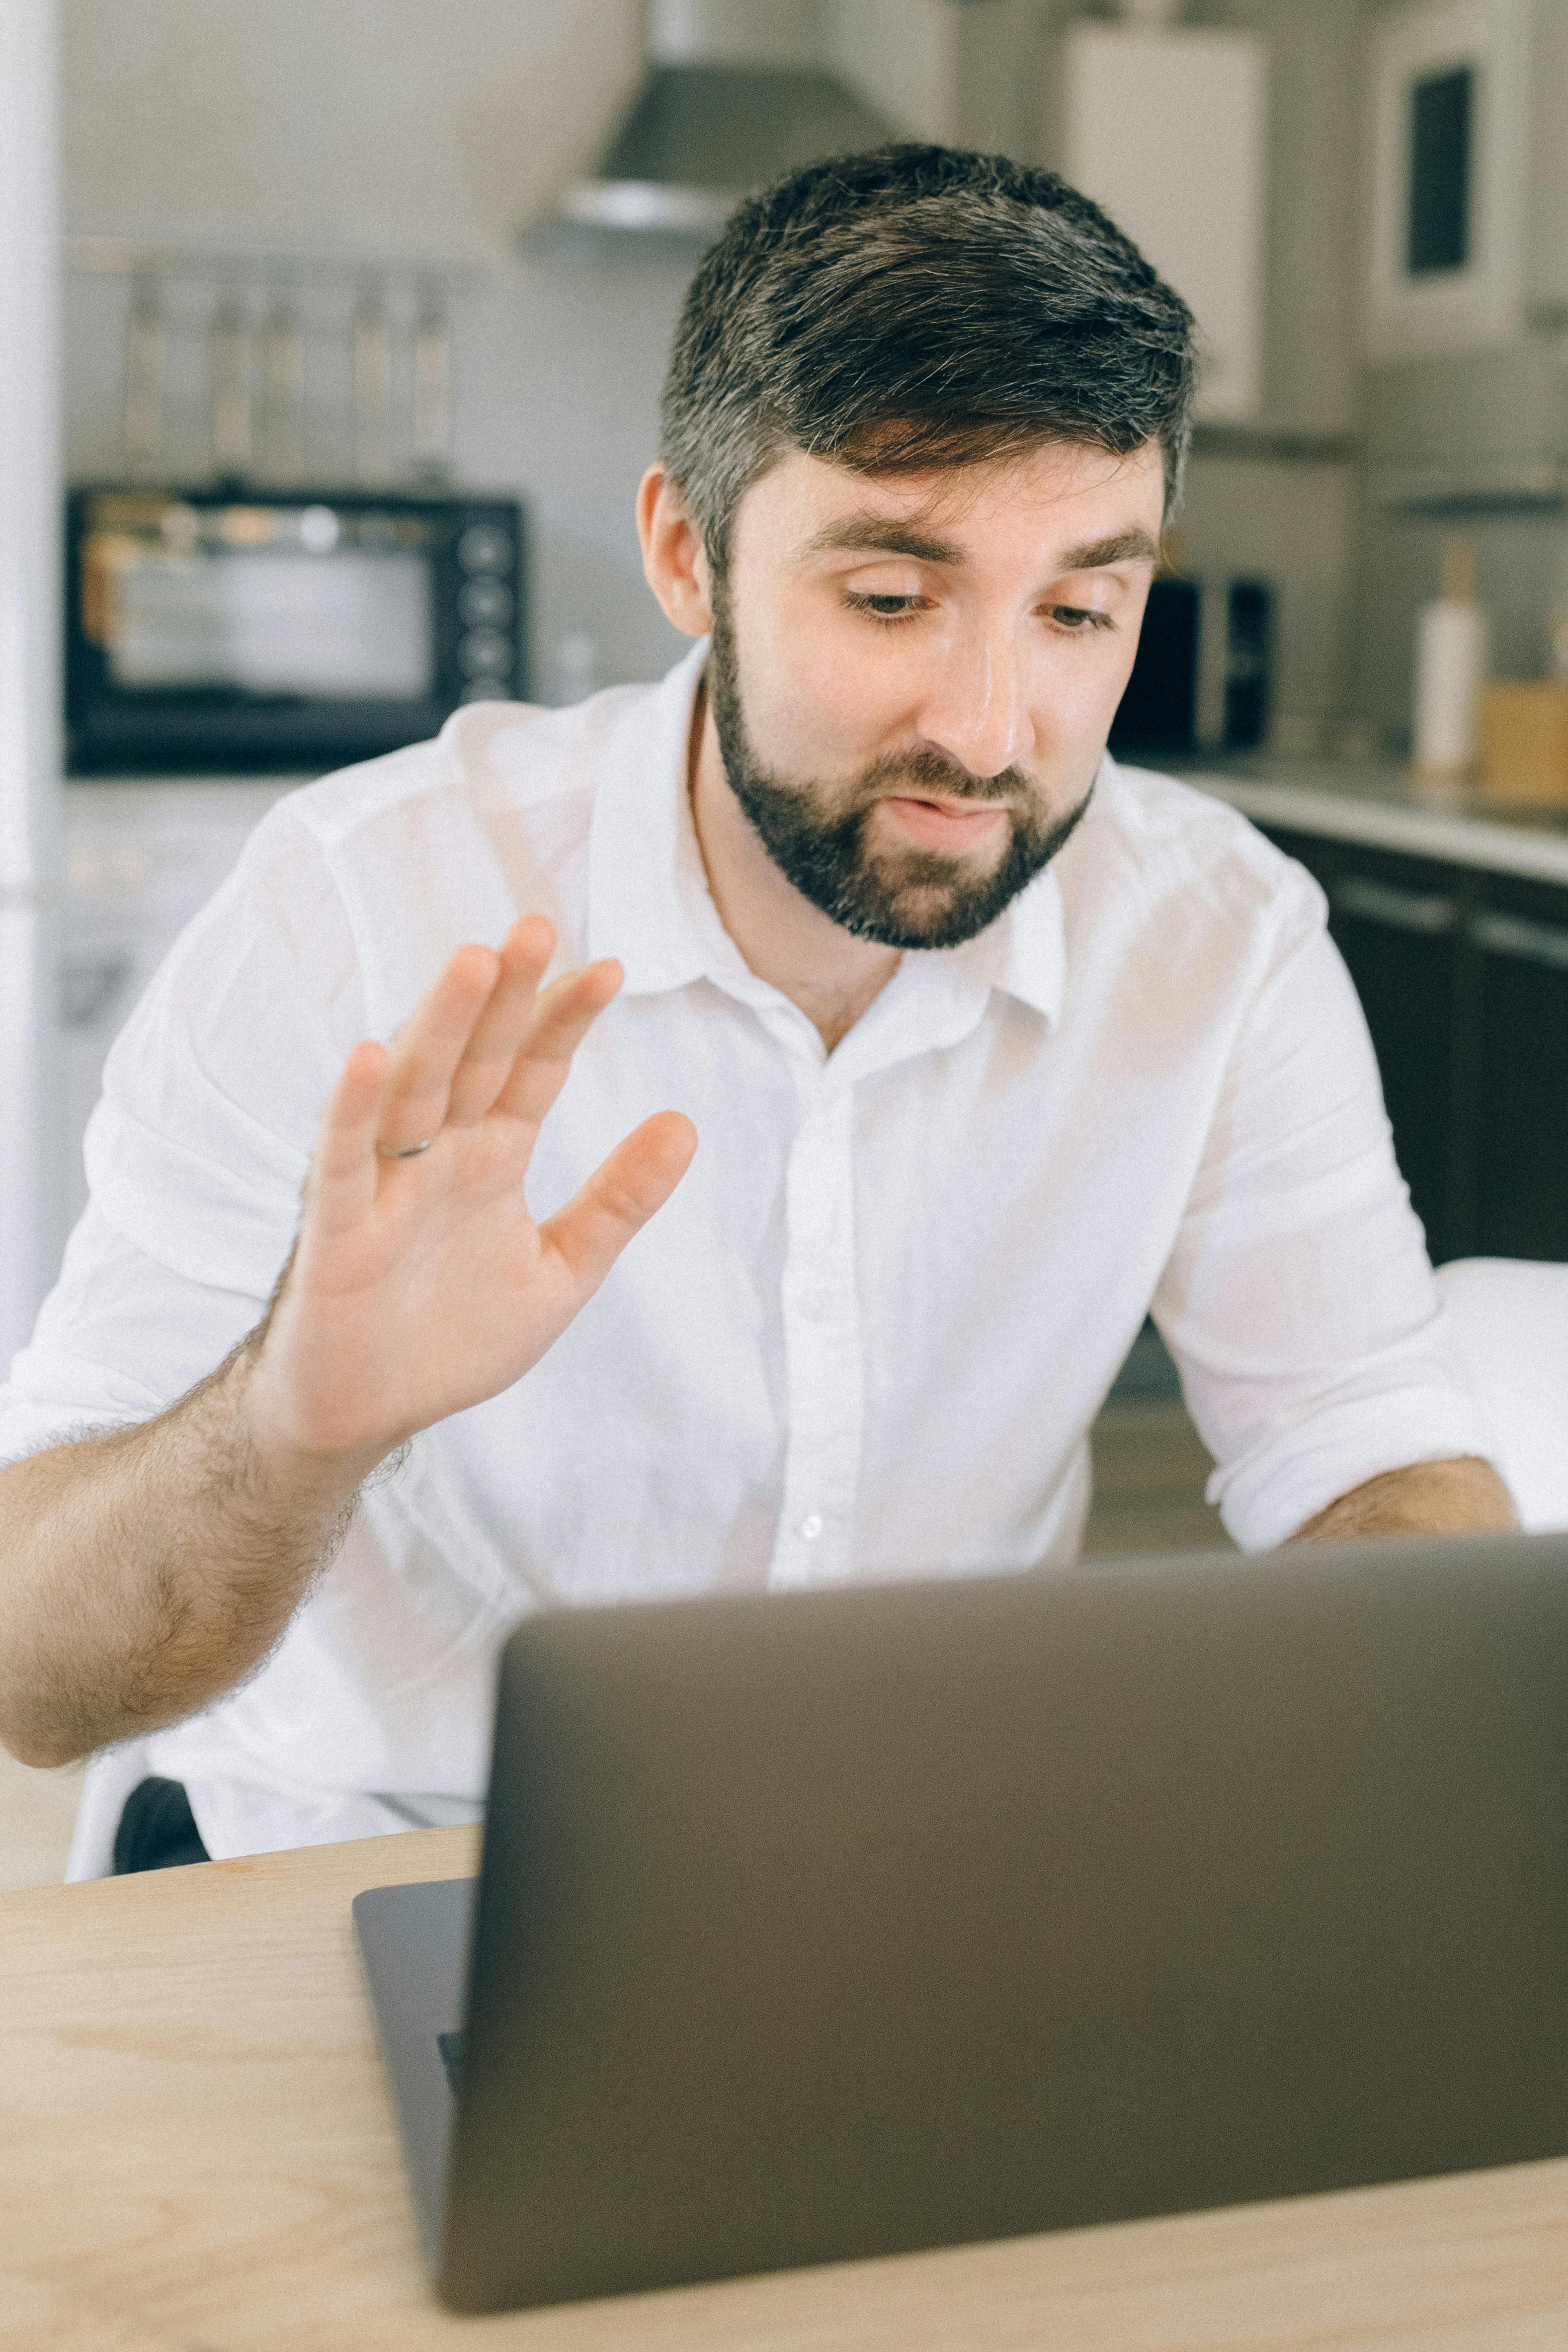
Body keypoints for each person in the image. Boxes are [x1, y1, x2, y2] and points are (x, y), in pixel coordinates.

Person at [0, 147, 1512, 1868]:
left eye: (1081, 608)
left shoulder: (1216, 936)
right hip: (357, 1859)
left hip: (908, 1877)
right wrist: (292, 1424)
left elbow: (1369, 1448)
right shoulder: (356, 902)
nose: (990, 723)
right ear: (684, 553)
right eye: (888, 597)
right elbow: (37, 1680)